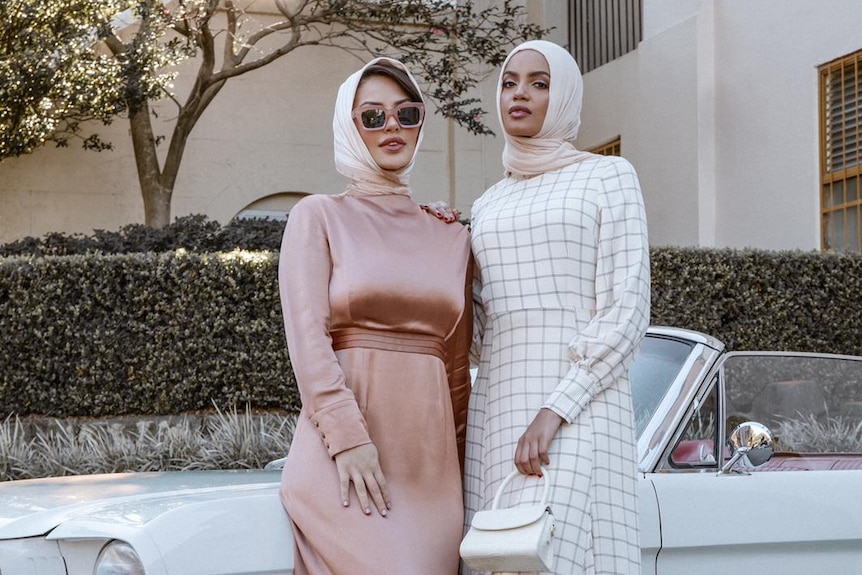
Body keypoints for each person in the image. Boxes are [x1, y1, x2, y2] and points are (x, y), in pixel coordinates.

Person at [277, 57, 473, 575]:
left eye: (407, 114)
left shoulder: (452, 234)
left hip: (433, 477)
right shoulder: (317, 216)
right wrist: (349, 441)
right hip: (346, 463)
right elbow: (308, 340)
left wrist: (466, 475)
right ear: (349, 124)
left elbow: (457, 373)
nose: (393, 127)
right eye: (373, 116)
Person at [463, 40, 650, 575]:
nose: (520, 93)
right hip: (496, 411)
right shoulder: (487, 203)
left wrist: (556, 409)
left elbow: (626, 307)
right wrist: (435, 242)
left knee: (569, 556)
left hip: (578, 409)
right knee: (500, 555)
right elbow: (478, 329)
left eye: (539, 83)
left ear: (564, 96)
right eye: (509, 82)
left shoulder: (607, 177)